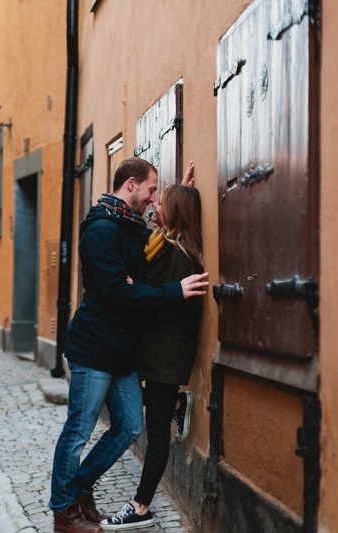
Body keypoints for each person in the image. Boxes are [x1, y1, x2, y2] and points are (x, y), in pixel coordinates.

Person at [50, 157, 209, 533]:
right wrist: (169, 290)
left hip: (121, 352)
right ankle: (63, 510)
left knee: (129, 427)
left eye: (158, 195)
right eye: (151, 191)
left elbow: (158, 239)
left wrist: (176, 199)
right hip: (94, 349)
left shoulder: (129, 224)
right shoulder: (102, 231)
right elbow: (118, 294)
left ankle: (80, 488)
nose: (153, 201)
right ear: (132, 184)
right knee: (78, 430)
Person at [101, 167, 204, 531]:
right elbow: (154, 242)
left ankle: (141, 505)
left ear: (174, 213)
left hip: (166, 352)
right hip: (158, 349)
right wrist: (183, 194)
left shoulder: (178, 254)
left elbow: (157, 296)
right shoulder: (167, 242)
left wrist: (134, 284)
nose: (154, 203)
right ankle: (178, 403)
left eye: (162, 201)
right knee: (147, 411)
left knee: (156, 431)